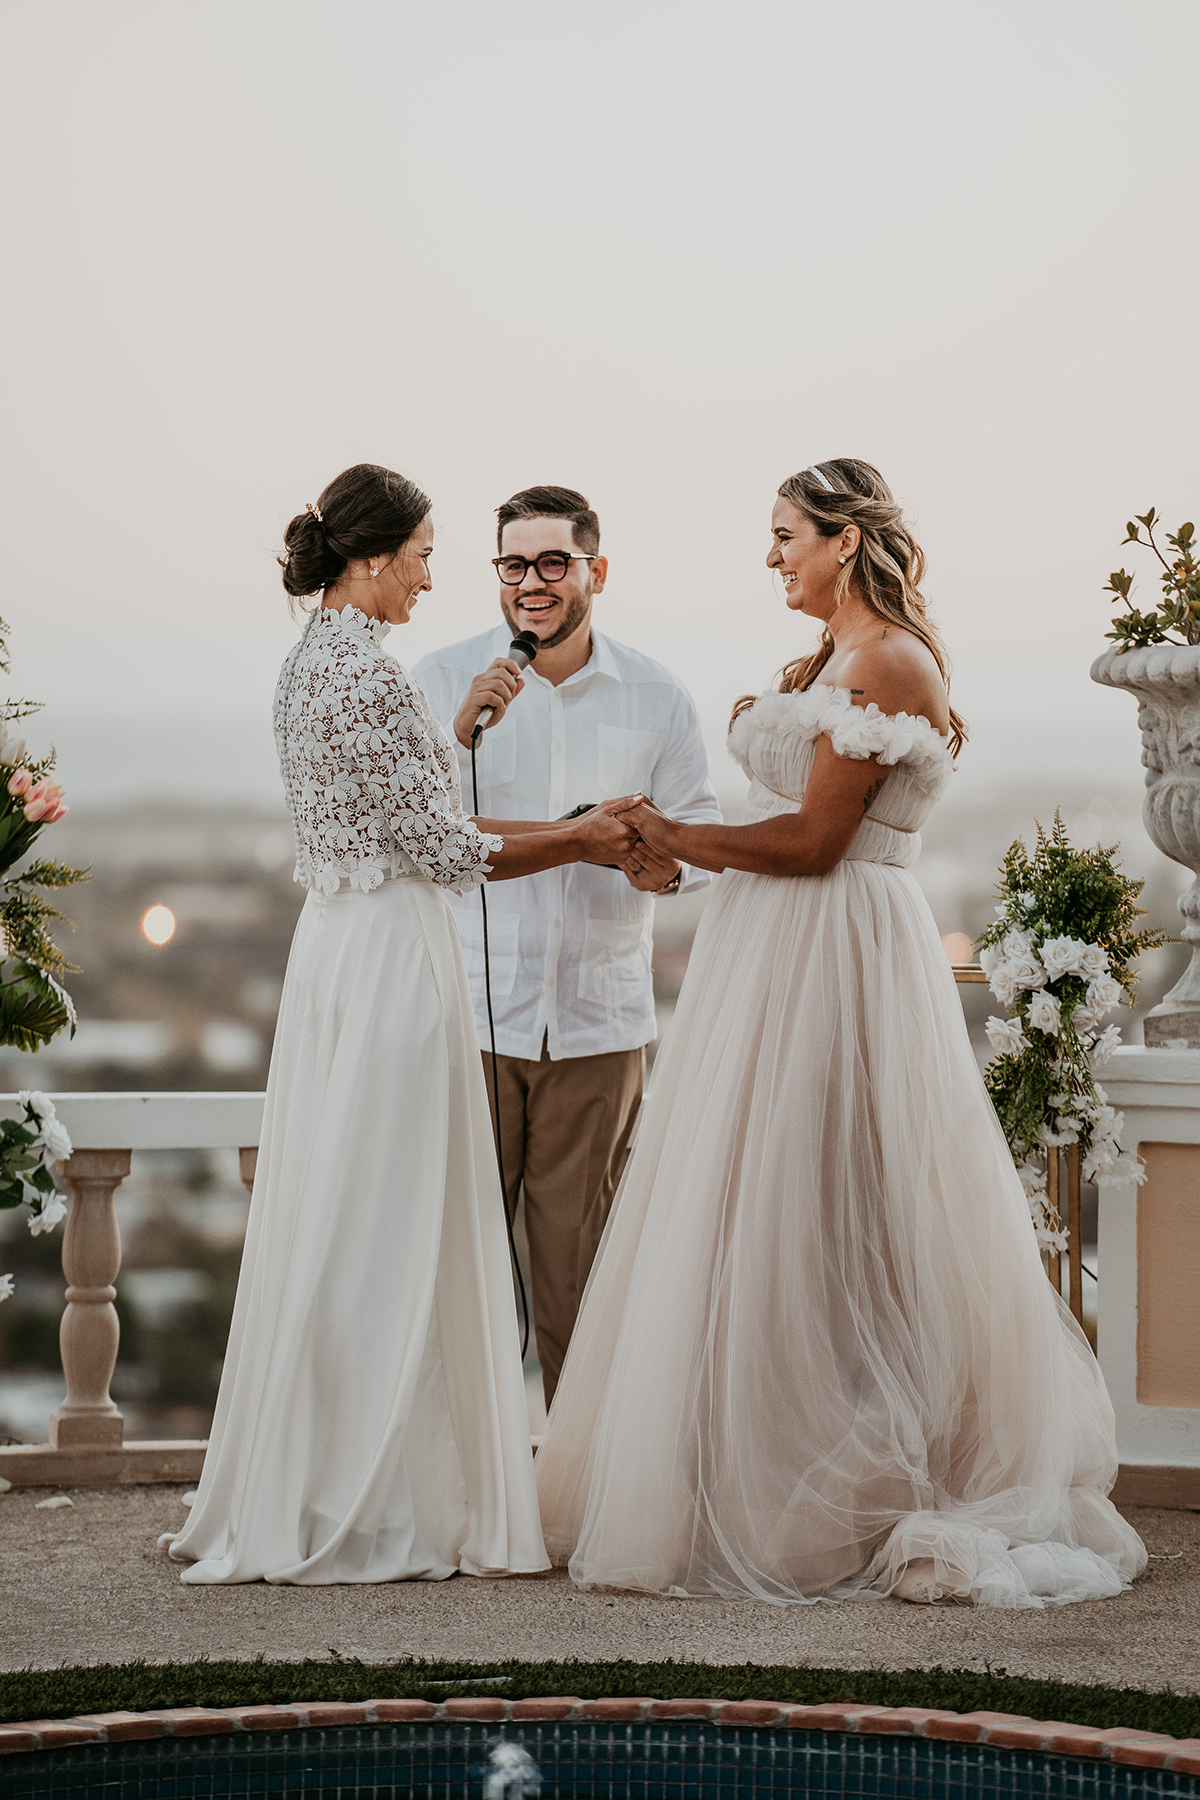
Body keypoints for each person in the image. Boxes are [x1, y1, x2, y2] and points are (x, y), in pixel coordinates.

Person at [535, 457, 1148, 1609]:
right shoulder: (831, 659)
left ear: (844, 539)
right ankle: (769, 1466)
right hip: (775, 954)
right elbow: (779, 831)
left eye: (785, 536)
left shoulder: (890, 663)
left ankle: (861, 1478)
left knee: (840, 1203)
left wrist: (677, 831)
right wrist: (674, 855)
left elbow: (817, 844)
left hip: (841, 953)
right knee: (763, 1212)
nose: (772, 557)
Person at [162, 463, 637, 1585]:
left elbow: (398, 804)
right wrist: (581, 836)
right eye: (423, 556)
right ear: (372, 558)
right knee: (396, 1216)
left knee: (352, 1211)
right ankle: (388, 1497)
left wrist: (454, 727)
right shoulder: (366, 676)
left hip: (343, 949)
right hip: (387, 961)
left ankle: (335, 1472)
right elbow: (445, 849)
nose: (433, 577)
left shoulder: (310, 662)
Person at [414, 485, 720, 1409]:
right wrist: (458, 728)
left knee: (578, 1281)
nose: (532, 583)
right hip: (466, 1016)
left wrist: (655, 867)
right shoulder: (439, 680)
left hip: (599, 1024)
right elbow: (420, 837)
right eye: (515, 564)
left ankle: (576, 1494)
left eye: (554, 563)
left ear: (596, 571)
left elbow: (700, 838)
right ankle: (463, 1492)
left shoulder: (658, 693)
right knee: (455, 1275)